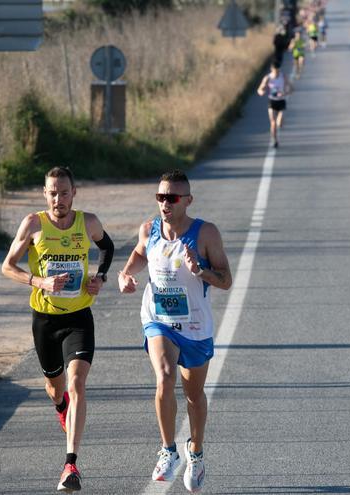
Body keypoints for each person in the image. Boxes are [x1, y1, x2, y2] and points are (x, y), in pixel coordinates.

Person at [117, 170, 232, 493]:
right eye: (160, 197)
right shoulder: (149, 229)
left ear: (187, 201)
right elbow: (140, 254)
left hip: (195, 327)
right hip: (159, 320)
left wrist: (202, 270)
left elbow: (226, 280)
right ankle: (168, 451)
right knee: (165, 376)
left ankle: (195, 453)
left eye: (172, 198)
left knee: (193, 396)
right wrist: (125, 275)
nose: (165, 203)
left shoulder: (205, 233)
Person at [1, 166, 115, 493]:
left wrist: (100, 277)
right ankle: (62, 407)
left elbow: (107, 248)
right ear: (44, 193)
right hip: (45, 320)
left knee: (78, 381)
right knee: (56, 388)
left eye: (64, 192)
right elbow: (7, 266)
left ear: (74, 193)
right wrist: (40, 281)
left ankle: (70, 465)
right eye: (52, 192)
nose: (58, 199)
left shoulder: (87, 222)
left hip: (79, 317)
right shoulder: (33, 225)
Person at [257, 61, 293, 149]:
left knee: (279, 123)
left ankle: (280, 122)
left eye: (277, 71)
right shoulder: (268, 78)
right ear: (271, 69)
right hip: (272, 101)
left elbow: (291, 88)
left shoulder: (283, 76)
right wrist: (261, 92)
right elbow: (260, 89)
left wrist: (286, 92)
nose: (276, 73)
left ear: (279, 69)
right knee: (273, 123)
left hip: (281, 101)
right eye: (274, 71)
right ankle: (275, 140)